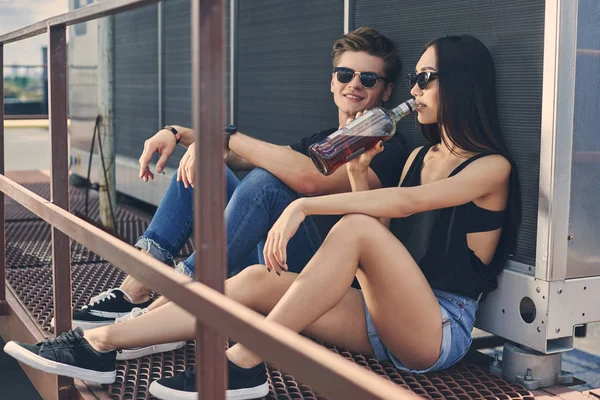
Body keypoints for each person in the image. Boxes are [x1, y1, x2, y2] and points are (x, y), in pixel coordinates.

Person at [5, 34, 521, 400]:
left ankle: (243, 364)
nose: (415, 90)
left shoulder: (490, 167)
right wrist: (360, 172)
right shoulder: (415, 158)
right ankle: (101, 343)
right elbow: (386, 240)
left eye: (426, 79)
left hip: (436, 328)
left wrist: (304, 205)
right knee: (252, 280)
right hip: (381, 316)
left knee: (350, 225)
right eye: (416, 78)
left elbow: (400, 208)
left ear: (461, 84)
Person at [52, 26, 410, 357]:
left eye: (368, 78)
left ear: (386, 91)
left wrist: (221, 137)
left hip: (317, 284)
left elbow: (310, 180)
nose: (354, 84)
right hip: (268, 260)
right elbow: (241, 156)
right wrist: (179, 134)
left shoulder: (387, 149)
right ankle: (138, 288)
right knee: (209, 166)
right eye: (346, 74)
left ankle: (172, 302)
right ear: (333, 82)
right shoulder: (320, 140)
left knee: (265, 185)